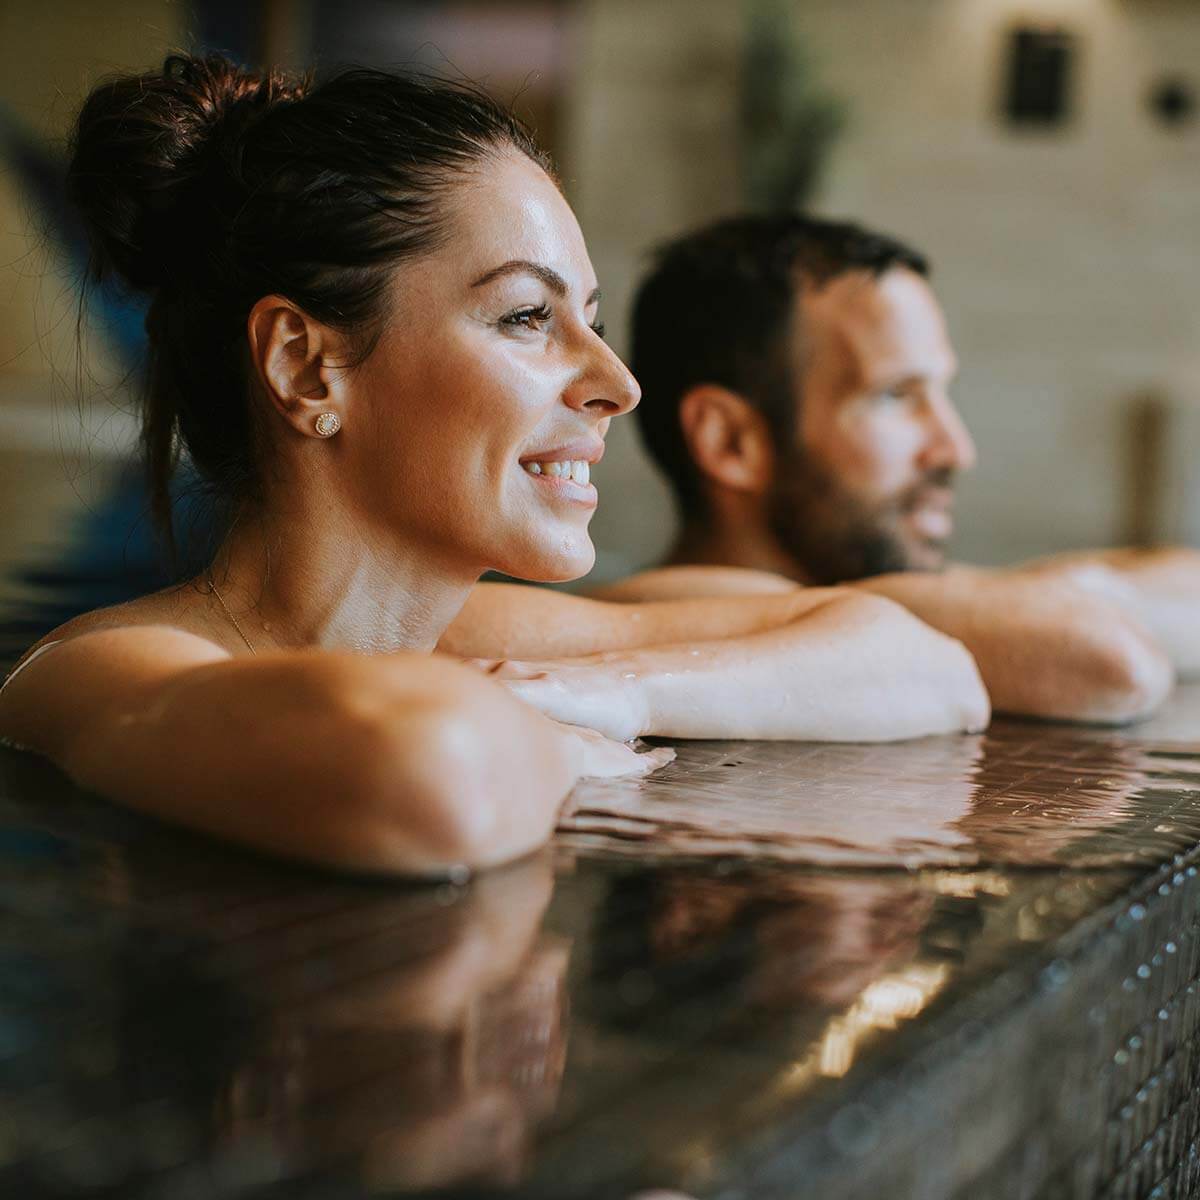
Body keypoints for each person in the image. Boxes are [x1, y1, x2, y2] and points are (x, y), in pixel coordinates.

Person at [0, 58, 989, 878]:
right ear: (306, 366)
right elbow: (431, 783)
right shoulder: (99, 672)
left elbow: (921, 665)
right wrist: (544, 736)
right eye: (526, 317)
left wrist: (625, 695)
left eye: (591, 323)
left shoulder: (467, 636)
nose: (618, 383)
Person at [596, 215, 1180, 724]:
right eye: (897, 396)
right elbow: (1111, 661)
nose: (955, 448)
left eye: (940, 391)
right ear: (730, 441)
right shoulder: (637, 623)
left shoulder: (858, 591)